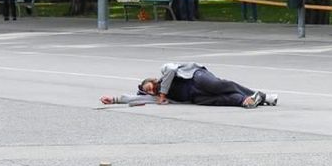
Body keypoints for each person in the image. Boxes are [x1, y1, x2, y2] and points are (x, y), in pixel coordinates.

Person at [99, 63, 278, 108]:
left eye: (150, 87)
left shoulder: (164, 73)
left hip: (195, 77)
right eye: (149, 92)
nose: (152, 90)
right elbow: (133, 98)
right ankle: (249, 100)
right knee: (221, 99)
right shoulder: (152, 96)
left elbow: (171, 69)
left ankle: (263, 96)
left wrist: (162, 92)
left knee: (219, 85)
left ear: (152, 80)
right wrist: (114, 99)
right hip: (194, 96)